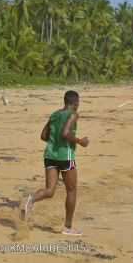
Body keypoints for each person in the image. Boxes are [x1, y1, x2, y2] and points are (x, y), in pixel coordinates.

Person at [20, 90, 89, 236]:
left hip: (50, 155)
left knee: (50, 191)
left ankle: (30, 201)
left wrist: (54, 142)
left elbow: (43, 135)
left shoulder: (55, 114)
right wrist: (80, 141)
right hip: (65, 156)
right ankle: (68, 227)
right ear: (75, 102)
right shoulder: (73, 114)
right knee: (71, 190)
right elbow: (65, 133)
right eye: (78, 102)